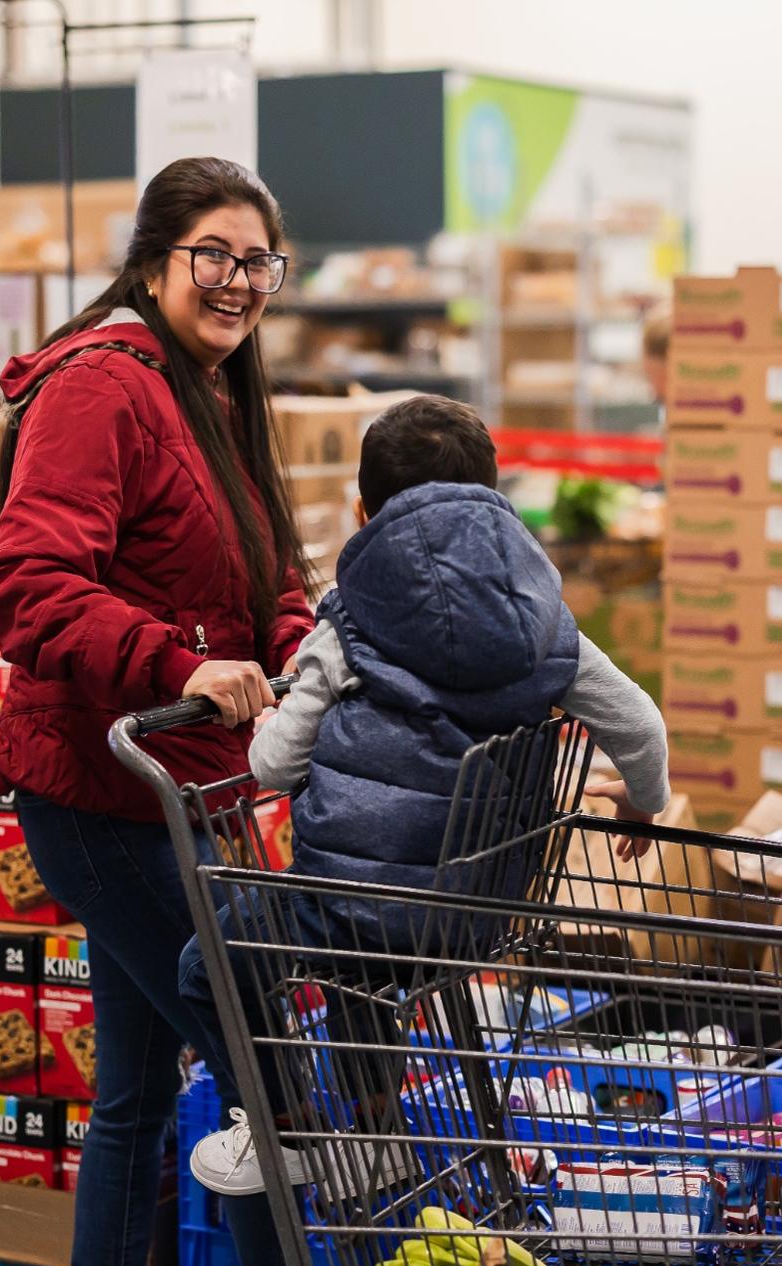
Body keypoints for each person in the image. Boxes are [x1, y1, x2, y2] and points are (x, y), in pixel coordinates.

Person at [0, 157, 315, 1266]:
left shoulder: (211, 393)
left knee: (131, 1092)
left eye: (257, 261)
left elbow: (263, 574)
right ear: (155, 258)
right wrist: (176, 665)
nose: (237, 282)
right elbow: (28, 586)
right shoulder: (102, 389)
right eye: (213, 256)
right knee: (255, 1056)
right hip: (99, 791)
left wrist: (300, 648)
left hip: (185, 798)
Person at [181, 395, 671, 1190]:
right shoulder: (547, 626)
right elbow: (641, 728)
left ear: (362, 511)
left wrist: (281, 713)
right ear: (496, 503)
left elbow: (270, 766)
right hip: (478, 914)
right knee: (362, 954)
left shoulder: (347, 624)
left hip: (360, 911)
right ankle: (375, 1133)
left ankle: (287, 1133)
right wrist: (642, 801)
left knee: (208, 961)